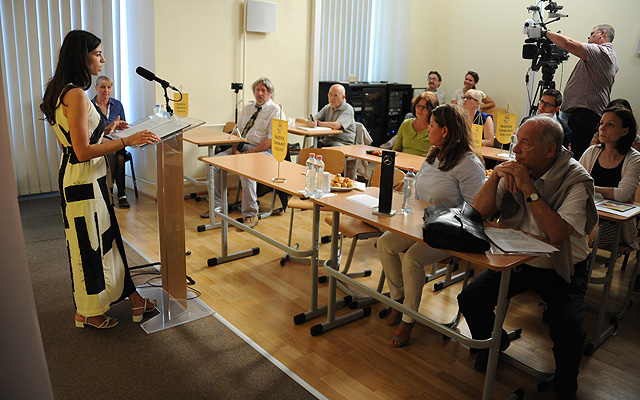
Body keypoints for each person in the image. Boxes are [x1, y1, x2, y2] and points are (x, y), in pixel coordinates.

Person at [458, 115, 597, 399]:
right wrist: (495, 175)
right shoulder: (515, 168)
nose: (516, 150)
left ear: (549, 150)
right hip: (519, 260)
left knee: (568, 327)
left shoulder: (576, 179)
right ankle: (495, 344)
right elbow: (479, 213)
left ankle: (565, 387)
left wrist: (529, 189)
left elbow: (556, 234)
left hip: (562, 265)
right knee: (470, 298)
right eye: (516, 141)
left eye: (525, 143)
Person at [39, 30, 159, 329]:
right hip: (84, 179)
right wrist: (125, 141)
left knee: (107, 241)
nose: (102, 59)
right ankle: (88, 312)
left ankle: (133, 300)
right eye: (97, 54)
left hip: (77, 177)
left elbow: (68, 142)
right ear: (82, 57)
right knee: (90, 245)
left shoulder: (58, 90)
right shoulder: (76, 94)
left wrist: (107, 130)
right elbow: (81, 151)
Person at [377, 104, 486, 347]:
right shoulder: (434, 153)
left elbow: (475, 209)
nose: (427, 129)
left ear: (446, 131)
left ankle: (408, 318)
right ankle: (399, 298)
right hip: (423, 222)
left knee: (412, 258)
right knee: (385, 243)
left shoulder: (469, 163)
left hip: (451, 231)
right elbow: (420, 190)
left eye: (432, 125)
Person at [212, 77, 285, 228]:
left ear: (270, 94)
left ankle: (251, 213)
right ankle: (218, 207)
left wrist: (250, 152)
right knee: (214, 163)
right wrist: (234, 150)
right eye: (257, 90)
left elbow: (270, 141)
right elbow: (236, 132)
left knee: (246, 169)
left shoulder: (276, 111)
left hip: (263, 151)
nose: (259, 93)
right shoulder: (247, 109)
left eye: (263, 91)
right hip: (242, 148)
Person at [544, 25, 618, 160]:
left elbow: (568, 43)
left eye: (592, 33)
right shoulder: (605, 56)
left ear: (602, 34)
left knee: (577, 160)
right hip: (583, 116)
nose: (588, 37)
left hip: (586, 117)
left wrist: (544, 32)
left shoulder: (602, 52)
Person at [579, 107, 640, 249]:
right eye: (601, 123)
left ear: (625, 131)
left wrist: (590, 188)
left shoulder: (634, 158)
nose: (602, 128)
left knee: (578, 235)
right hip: (587, 215)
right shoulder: (592, 152)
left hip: (616, 225)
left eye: (610, 124)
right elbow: (574, 181)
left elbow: (623, 194)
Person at [91, 75, 130, 208]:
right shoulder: (90, 106)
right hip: (98, 144)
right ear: (96, 88)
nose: (106, 90)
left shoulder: (117, 104)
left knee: (118, 155)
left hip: (116, 142)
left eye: (109, 87)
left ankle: (113, 192)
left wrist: (119, 133)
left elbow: (124, 126)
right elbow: (90, 132)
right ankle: (117, 193)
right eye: (102, 87)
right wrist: (103, 139)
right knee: (116, 156)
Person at [392, 91, 439, 156]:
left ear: (431, 110)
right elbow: (396, 149)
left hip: (422, 165)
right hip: (402, 163)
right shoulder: (406, 124)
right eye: (418, 106)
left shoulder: (435, 128)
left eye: (424, 107)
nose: (420, 110)